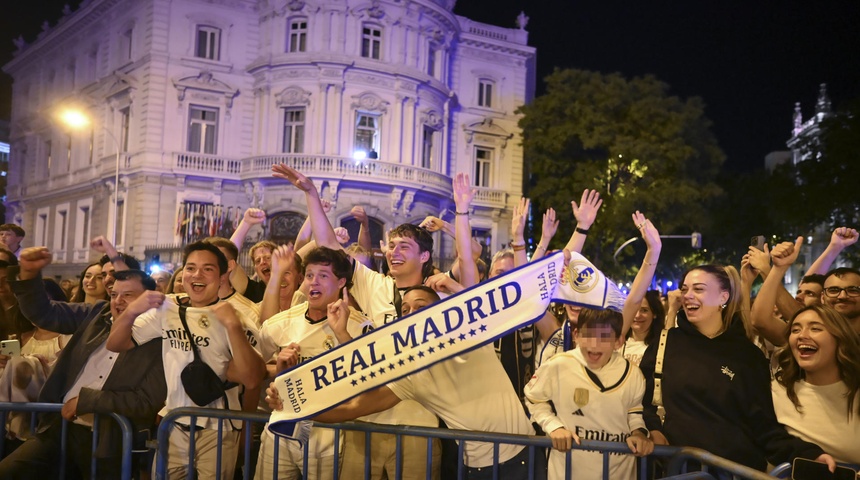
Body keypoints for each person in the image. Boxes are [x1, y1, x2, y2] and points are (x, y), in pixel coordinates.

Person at [264, 286, 544, 479]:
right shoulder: (409, 374)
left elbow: (516, 294)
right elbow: (354, 403)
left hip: (522, 457)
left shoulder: (472, 336)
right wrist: (292, 407)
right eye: (405, 309)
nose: (411, 313)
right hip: (475, 468)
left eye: (421, 307)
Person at [639, 263, 836, 472]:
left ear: (723, 298)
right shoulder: (665, 344)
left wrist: (807, 454)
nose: (687, 295)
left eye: (698, 289)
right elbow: (639, 400)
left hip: (735, 472)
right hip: (677, 471)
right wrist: (651, 428)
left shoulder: (747, 356)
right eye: (685, 288)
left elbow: (763, 426)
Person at [0, 250, 166, 479]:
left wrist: (87, 401)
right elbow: (46, 314)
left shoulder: (161, 340)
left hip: (109, 440)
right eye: (114, 294)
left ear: (150, 297)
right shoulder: (98, 313)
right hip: (59, 429)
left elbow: (146, 400)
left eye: (128, 295)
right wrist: (28, 275)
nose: (118, 301)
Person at [107, 241, 267, 479]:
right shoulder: (167, 307)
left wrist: (233, 327)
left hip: (219, 429)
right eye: (191, 268)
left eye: (207, 269)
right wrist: (131, 311)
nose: (197, 275)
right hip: (174, 425)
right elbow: (116, 344)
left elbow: (253, 379)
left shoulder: (239, 317)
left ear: (223, 276)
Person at [255, 246, 366, 480]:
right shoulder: (279, 323)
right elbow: (254, 370)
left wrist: (342, 334)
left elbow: (366, 378)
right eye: (309, 275)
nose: (314, 282)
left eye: (323, 276)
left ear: (341, 282)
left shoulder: (360, 326)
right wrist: (278, 372)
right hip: (281, 429)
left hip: (329, 436)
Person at [525, 309, 653, 480]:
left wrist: (639, 433)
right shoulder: (558, 365)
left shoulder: (633, 374)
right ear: (576, 335)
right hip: (568, 470)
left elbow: (633, 412)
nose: (594, 344)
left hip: (619, 471)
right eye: (588, 335)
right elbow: (533, 399)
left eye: (604, 337)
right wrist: (553, 426)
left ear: (618, 341)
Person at [772, 304, 860, 465]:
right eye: (795, 330)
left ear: (840, 338)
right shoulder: (776, 391)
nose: (802, 335)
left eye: (816, 329)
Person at [622, 290, 666, 366]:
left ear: (654, 314)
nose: (637, 315)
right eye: (634, 310)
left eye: (644, 310)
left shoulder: (661, 345)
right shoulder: (617, 344)